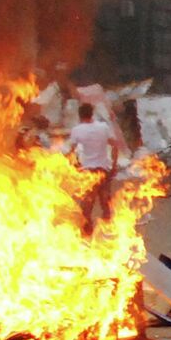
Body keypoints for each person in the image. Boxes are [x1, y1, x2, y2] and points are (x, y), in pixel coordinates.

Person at [69, 102, 126, 238]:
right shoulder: (103, 127)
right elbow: (115, 145)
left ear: (80, 115)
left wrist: (73, 166)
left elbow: (70, 150)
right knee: (106, 202)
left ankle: (87, 232)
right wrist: (114, 165)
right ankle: (108, 231)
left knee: (87, 205)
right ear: (92, 113)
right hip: (104, 169)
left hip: (88, 172)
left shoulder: (77, 130)